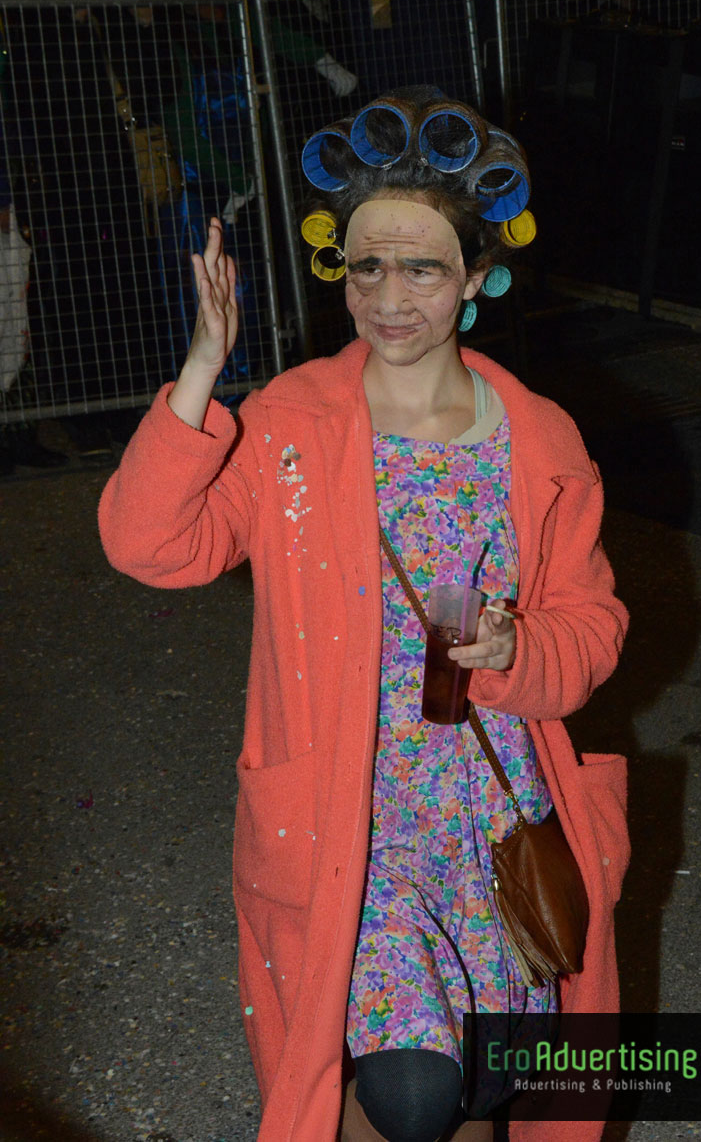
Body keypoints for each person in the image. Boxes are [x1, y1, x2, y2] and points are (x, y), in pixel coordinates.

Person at [98, 89, 630, 1142]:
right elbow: (151, 544)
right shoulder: (294, 419)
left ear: (476, 276)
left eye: (423, 268)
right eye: (366, 266)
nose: (389, 297)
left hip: (489, 810)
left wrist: (521, 646)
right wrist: (201, 372)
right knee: (404, 1089)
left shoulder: (539, 438)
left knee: (475, 1086)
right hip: (353, 818)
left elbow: (592, 629)